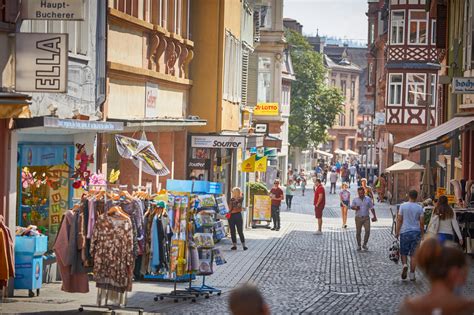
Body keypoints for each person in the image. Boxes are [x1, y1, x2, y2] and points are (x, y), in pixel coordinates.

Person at [399, 238, 474, 315]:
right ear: (455, 272)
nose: (465, 278)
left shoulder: (409, 307)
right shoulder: (467, 308)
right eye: (464, 271)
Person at [395, 190, 424, 281]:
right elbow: (422, 223)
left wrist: (397, 231)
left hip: (405, 232)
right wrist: (422, 234)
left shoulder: (403, 206)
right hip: (416, 232)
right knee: (414, 255)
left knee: (403, 252)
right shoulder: (420, 207)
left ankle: (404, 265)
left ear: (408, 196)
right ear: (417, 196)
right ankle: (412, 274)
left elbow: (399, 220)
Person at [351, 187, 377, 251]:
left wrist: (375, 216)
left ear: (364, 192)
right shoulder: (355, 200)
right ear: (358, 193)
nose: (361, 194)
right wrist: (355, 208)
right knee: (358, 232)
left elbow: (372, 208)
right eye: (359, 193)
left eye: (362, 193)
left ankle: (364, 244)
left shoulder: (368, 199)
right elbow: (351, 207)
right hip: (358, 218)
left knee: (367, 231)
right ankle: (359, 245)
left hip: (366, 218)